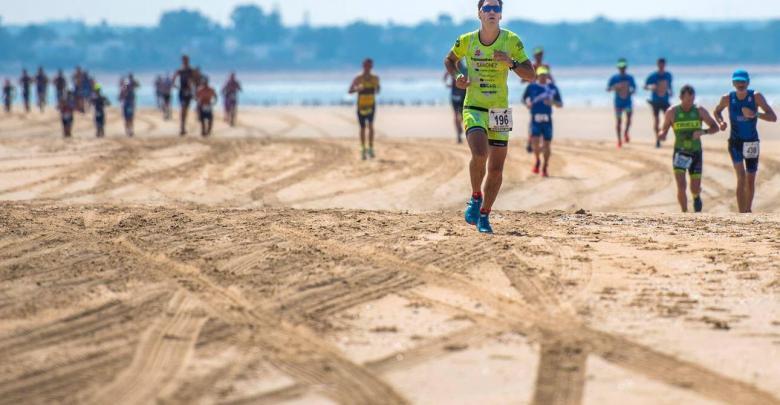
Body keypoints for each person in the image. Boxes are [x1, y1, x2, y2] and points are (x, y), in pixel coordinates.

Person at [444, 0, 535, 234]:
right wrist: (457, 76)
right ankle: (476, 196)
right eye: (488, 8)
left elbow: (531, 75)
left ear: (501, 16)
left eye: (497, 9)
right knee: (480, 153)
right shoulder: (467, 40)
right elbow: (449, 60)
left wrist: (511, 63)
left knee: (496, 169)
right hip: (474, 106)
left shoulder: (511, 40)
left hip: (499, 111)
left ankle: (484, 215)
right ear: (479, 14)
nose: (493, 12)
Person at [714, 69, 777, 213]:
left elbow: (773, 117)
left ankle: (748, 210)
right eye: (737, 81)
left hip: (751, 142)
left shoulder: (756, 97)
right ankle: (741, 212)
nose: (740, 84)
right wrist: (721, 122)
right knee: (740, 177)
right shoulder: (727, 98)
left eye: (743, 81)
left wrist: (755, 114)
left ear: (748, 82)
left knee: (750, 179)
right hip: (735, 143)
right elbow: (717, 111)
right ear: (733, 83)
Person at [657, 85, 719, 213]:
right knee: (681, 186)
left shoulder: (699, 111)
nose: (691, 103)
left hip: (696, 153)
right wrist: (661, 135)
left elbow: (715, 127)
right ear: (681, 98)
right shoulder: (672, 112)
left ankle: (696, 197)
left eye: (692, 100)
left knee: (694, 188)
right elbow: (663, 129)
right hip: (680, 153)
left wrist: (703, 131)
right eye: (688, 100)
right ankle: (684, 213)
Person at [523, 66, 562, 178]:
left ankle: (545, 166)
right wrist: (527, 104)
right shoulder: (532, 87)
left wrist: (552, 102)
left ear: (547, 76)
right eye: (541, 75)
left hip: (547, 120)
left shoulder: (552, 88)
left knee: (546, 145)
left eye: (545, 75)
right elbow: (524, 99)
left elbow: (560, 104)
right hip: (535, 119)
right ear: (537, 76)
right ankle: (537, 160)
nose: (543, 77)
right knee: (535, 144)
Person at [349, 58, 381, 160]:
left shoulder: (375, 78)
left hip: (371, 104)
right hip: (361, 105)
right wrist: (357, 89)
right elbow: (350, 91)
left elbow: (378, 90)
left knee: (371, 126)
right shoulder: (358, 78)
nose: (367, 67)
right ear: (363, 66)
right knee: (362, 127)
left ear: (372, 66)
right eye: (366, 65)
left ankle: (371, 147)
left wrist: (375, 88)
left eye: (369, 65)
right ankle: (363, 148)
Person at [524, 46, 553, 153]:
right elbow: (524, 79)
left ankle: (542, 142)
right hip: (533, 95)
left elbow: (551, 79)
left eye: (540, 54)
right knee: (533, 120)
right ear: (534, 55)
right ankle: (530, 141)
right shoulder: (532, 65)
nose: (539, 56)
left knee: (544, 118)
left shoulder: (545, 66)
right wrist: (532, 81)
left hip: (544, 95)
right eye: (537, 54)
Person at [607, 58, 636, 148]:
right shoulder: (614, 78)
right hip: (618, 103)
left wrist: (631, 91)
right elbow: (608, 89)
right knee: (619, 121)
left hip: (628, 102)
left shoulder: (630, 78)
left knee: (629, 119)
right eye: (620, 67)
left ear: (626, 67)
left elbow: (634, 88)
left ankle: (626, 133)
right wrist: (614, 87)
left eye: (623, 67)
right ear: (618, 68)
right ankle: (619, 140)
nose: (622, 68)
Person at [645, 58, 673, 148]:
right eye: (660, 64)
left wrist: (670, 91)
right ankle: (657, 139)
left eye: (663, 64)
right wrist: (651, 87)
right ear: (657, 65)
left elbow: (669, 86)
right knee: (656, 121)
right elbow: (645, 86)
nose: (661, 66)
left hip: (665, 101)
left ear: (665, 65)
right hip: (655, 101)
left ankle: (663, 133)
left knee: (670, 120)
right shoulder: (653, 76)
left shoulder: (668, 75)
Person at [172, 55, 198, 135]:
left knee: (186, 109)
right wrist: (176, 86)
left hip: (189, 92)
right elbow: (173, 78)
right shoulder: (180, 70)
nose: (185, 61)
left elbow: (196, 80)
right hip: (182, 91)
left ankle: (183, 126)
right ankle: (182, 127)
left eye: (186, 60)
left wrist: (194, 90)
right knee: (183, 109)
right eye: (184, 60)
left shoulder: (191, 70)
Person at [444, 60, 468, 143]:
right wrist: (448, 84)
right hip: (456, 95)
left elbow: (445, 77)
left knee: (460, 116)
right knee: (457, 115)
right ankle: (458, 133)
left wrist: (449, 84)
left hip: (462, 95)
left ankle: (459, 130)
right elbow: (445, 76)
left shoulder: (464, 69)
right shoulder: (454, 68)